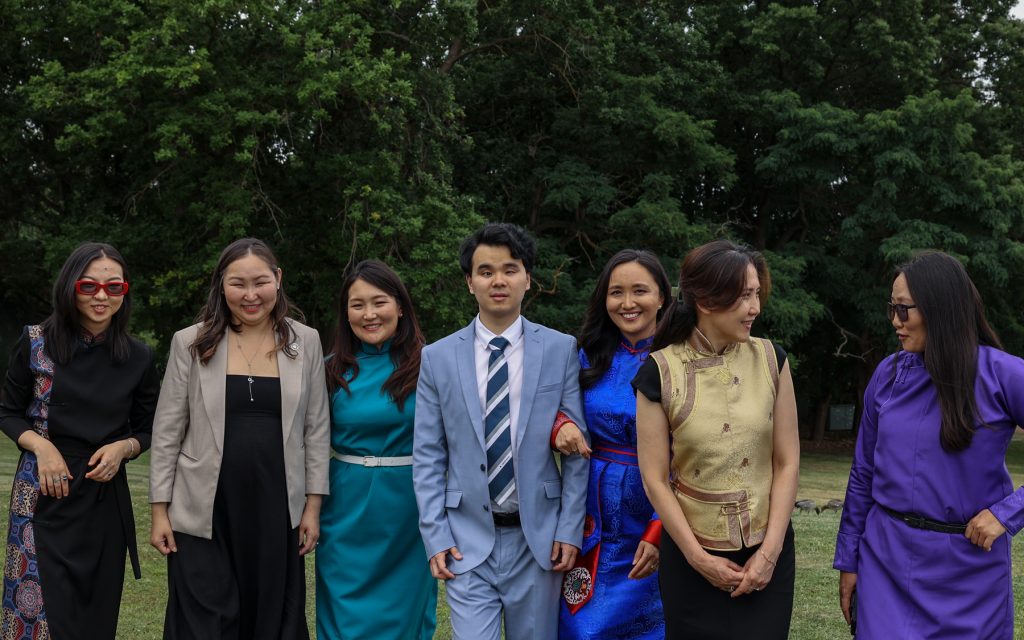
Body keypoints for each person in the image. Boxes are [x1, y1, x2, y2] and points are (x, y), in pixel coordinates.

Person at [413, 222, 590, 640]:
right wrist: (435, 535)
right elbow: (427, 455)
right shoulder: (437, 358)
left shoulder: (560, 349)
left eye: (510, 269)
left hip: (539, 539)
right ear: (469, 282)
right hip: (466, 538)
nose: (498, 280)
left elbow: (578, 450)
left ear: (528, 278)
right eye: (486, 271)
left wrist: (569, 528)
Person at [834, 251, 1024, 639]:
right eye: (892, 308)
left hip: (971, 574)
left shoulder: (1002, 374)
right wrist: (850, 560)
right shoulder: (887, 376)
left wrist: (1008, 513)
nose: (894, 321)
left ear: (939, 308)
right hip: (886, 564)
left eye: (904, 309)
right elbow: (863, 476)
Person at [149, 238, 329, 640]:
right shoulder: (190, 343)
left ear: (278, 280)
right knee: (207, 617)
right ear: (221, 285)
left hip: (276, 509)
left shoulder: (306, 342)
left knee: (268, 617)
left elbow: (315, 429)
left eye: (260, 282)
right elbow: (166, 433)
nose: (250, 295)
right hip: (204, 510)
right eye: (238, 284)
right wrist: (160, 511)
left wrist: (312, 507)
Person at [633, 239, 800, 639]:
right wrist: (698, 558)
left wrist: (770, 553)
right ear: (706, 300)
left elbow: (787, 461)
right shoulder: (659, 371)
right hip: (691, 560)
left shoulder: (772, 360)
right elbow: (655, 478)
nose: (755, 308)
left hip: (767, 550)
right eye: (745, 296)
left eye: (757, 294)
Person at [0, 242, 159, 640]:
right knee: (36, 615)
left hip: (104, 501)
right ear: (70, 286)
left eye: (113, 287)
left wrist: (125, 448)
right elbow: (7, 411)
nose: (101, 296)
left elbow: (149, 426)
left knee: (94, 616)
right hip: (41, 492)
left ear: (125, 291)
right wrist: (42, 446)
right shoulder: (36, 342)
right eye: (89, 286)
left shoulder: (139, 356)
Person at [552, 249, 670, 639]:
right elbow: (547, 410)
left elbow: (691, 453)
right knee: (579, 623)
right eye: (616, 292)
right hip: (591, 509)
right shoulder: (586, 355)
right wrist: (561, 426)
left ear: (662, 298)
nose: (628, 303)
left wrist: (659, 530)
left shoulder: (680, 362)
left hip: (657, 503)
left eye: (640, 291)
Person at [315, 260, 437, 639]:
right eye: (357, 305)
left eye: (379, 302)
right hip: (345, 509)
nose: (369, 314)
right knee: (342, 616)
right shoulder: (329, 369)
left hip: (408, 511)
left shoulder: (431, 364)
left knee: (403, 619)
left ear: (400, 306)